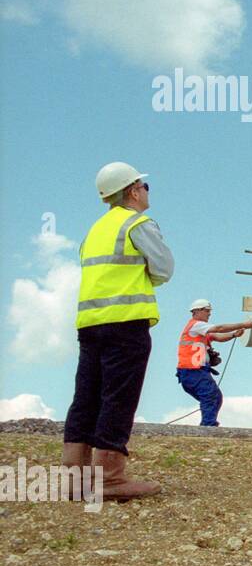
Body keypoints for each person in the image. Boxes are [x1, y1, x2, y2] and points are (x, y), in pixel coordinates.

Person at [62, 162, 172, 500]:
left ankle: (75, 481)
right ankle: (109, 478)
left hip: (91, 325)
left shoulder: (94, 231)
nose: (147, 192)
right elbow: (164, 270)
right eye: (145, 186)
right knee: (118, 397)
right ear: (133, 190)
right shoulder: (137, 223)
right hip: (126, 325)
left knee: (86, 397)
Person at [176, 300, 249, 426]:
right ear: (196, 311)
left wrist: (233, 334)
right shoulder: (196, 325)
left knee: (214, 397)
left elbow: (218, 336)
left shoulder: (200, 330)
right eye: (207, 310)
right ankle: (208, 426)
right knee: (211, 396)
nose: (209, 314)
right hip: (193, 370)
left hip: (194, 371)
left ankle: (208, 424)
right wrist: (244, 324)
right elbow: (219, 328)